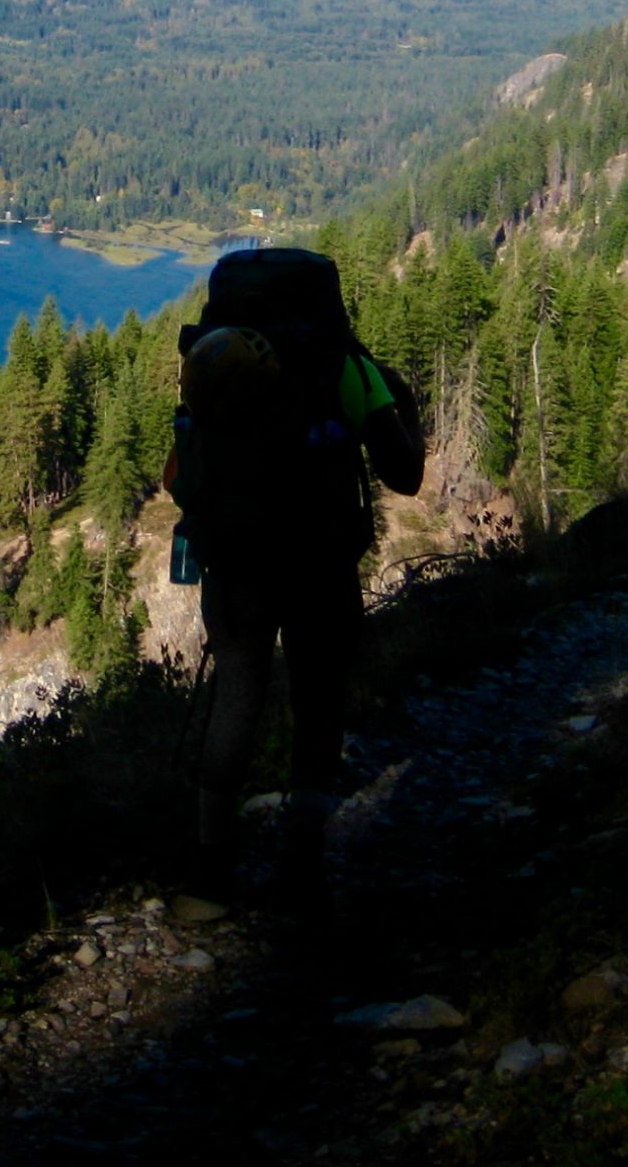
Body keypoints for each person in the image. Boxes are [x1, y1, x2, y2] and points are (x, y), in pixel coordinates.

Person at [164, 248, 424, 910]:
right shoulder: (347, 369)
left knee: (236, 698)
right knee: (318, 705)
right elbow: (405, 475)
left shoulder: (216, 363)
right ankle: (303, 869)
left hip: (237, 566)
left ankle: (208, 875)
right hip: (321, 562)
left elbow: (179, 478)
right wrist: (402, 406)